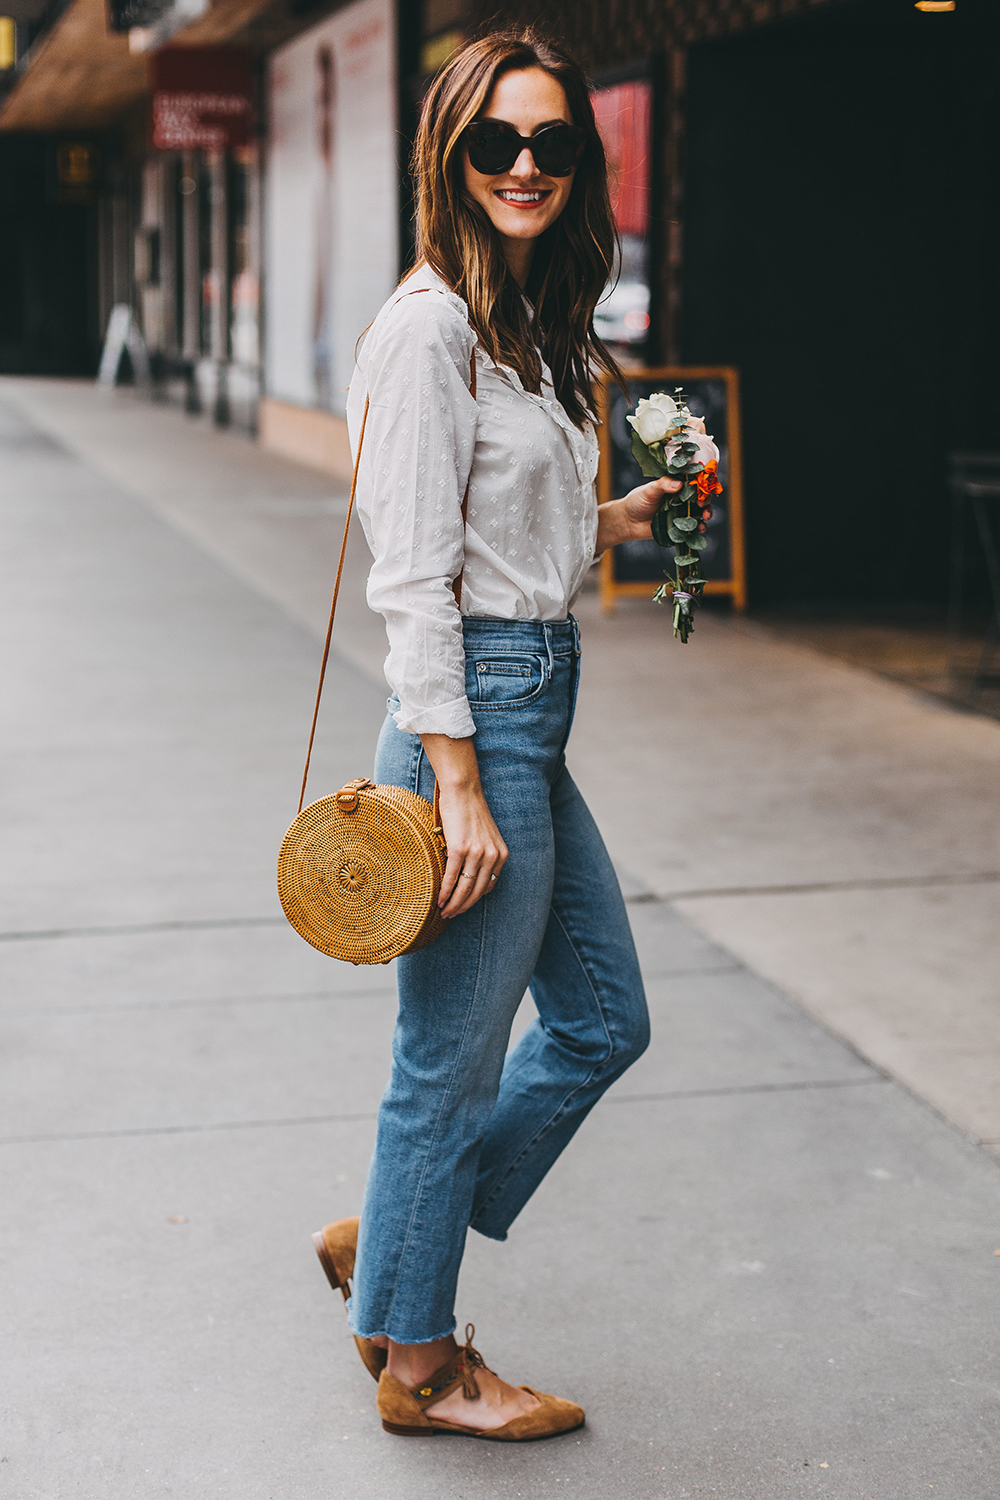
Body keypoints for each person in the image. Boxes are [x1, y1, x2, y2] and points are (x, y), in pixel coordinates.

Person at [311, 28, 718, 1442]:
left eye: (552, 141)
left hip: (525, 700)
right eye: (498, 141)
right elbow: (414, 579)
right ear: (450, 155)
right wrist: (464, 787)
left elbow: (501, 540)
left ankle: (394, 1236)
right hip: (470, 723)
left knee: (604, 1019)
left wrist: (615, 521)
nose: (528, 164)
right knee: (453, 1058)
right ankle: (420, 1370)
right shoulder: (429, 327)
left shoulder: (519, 324)